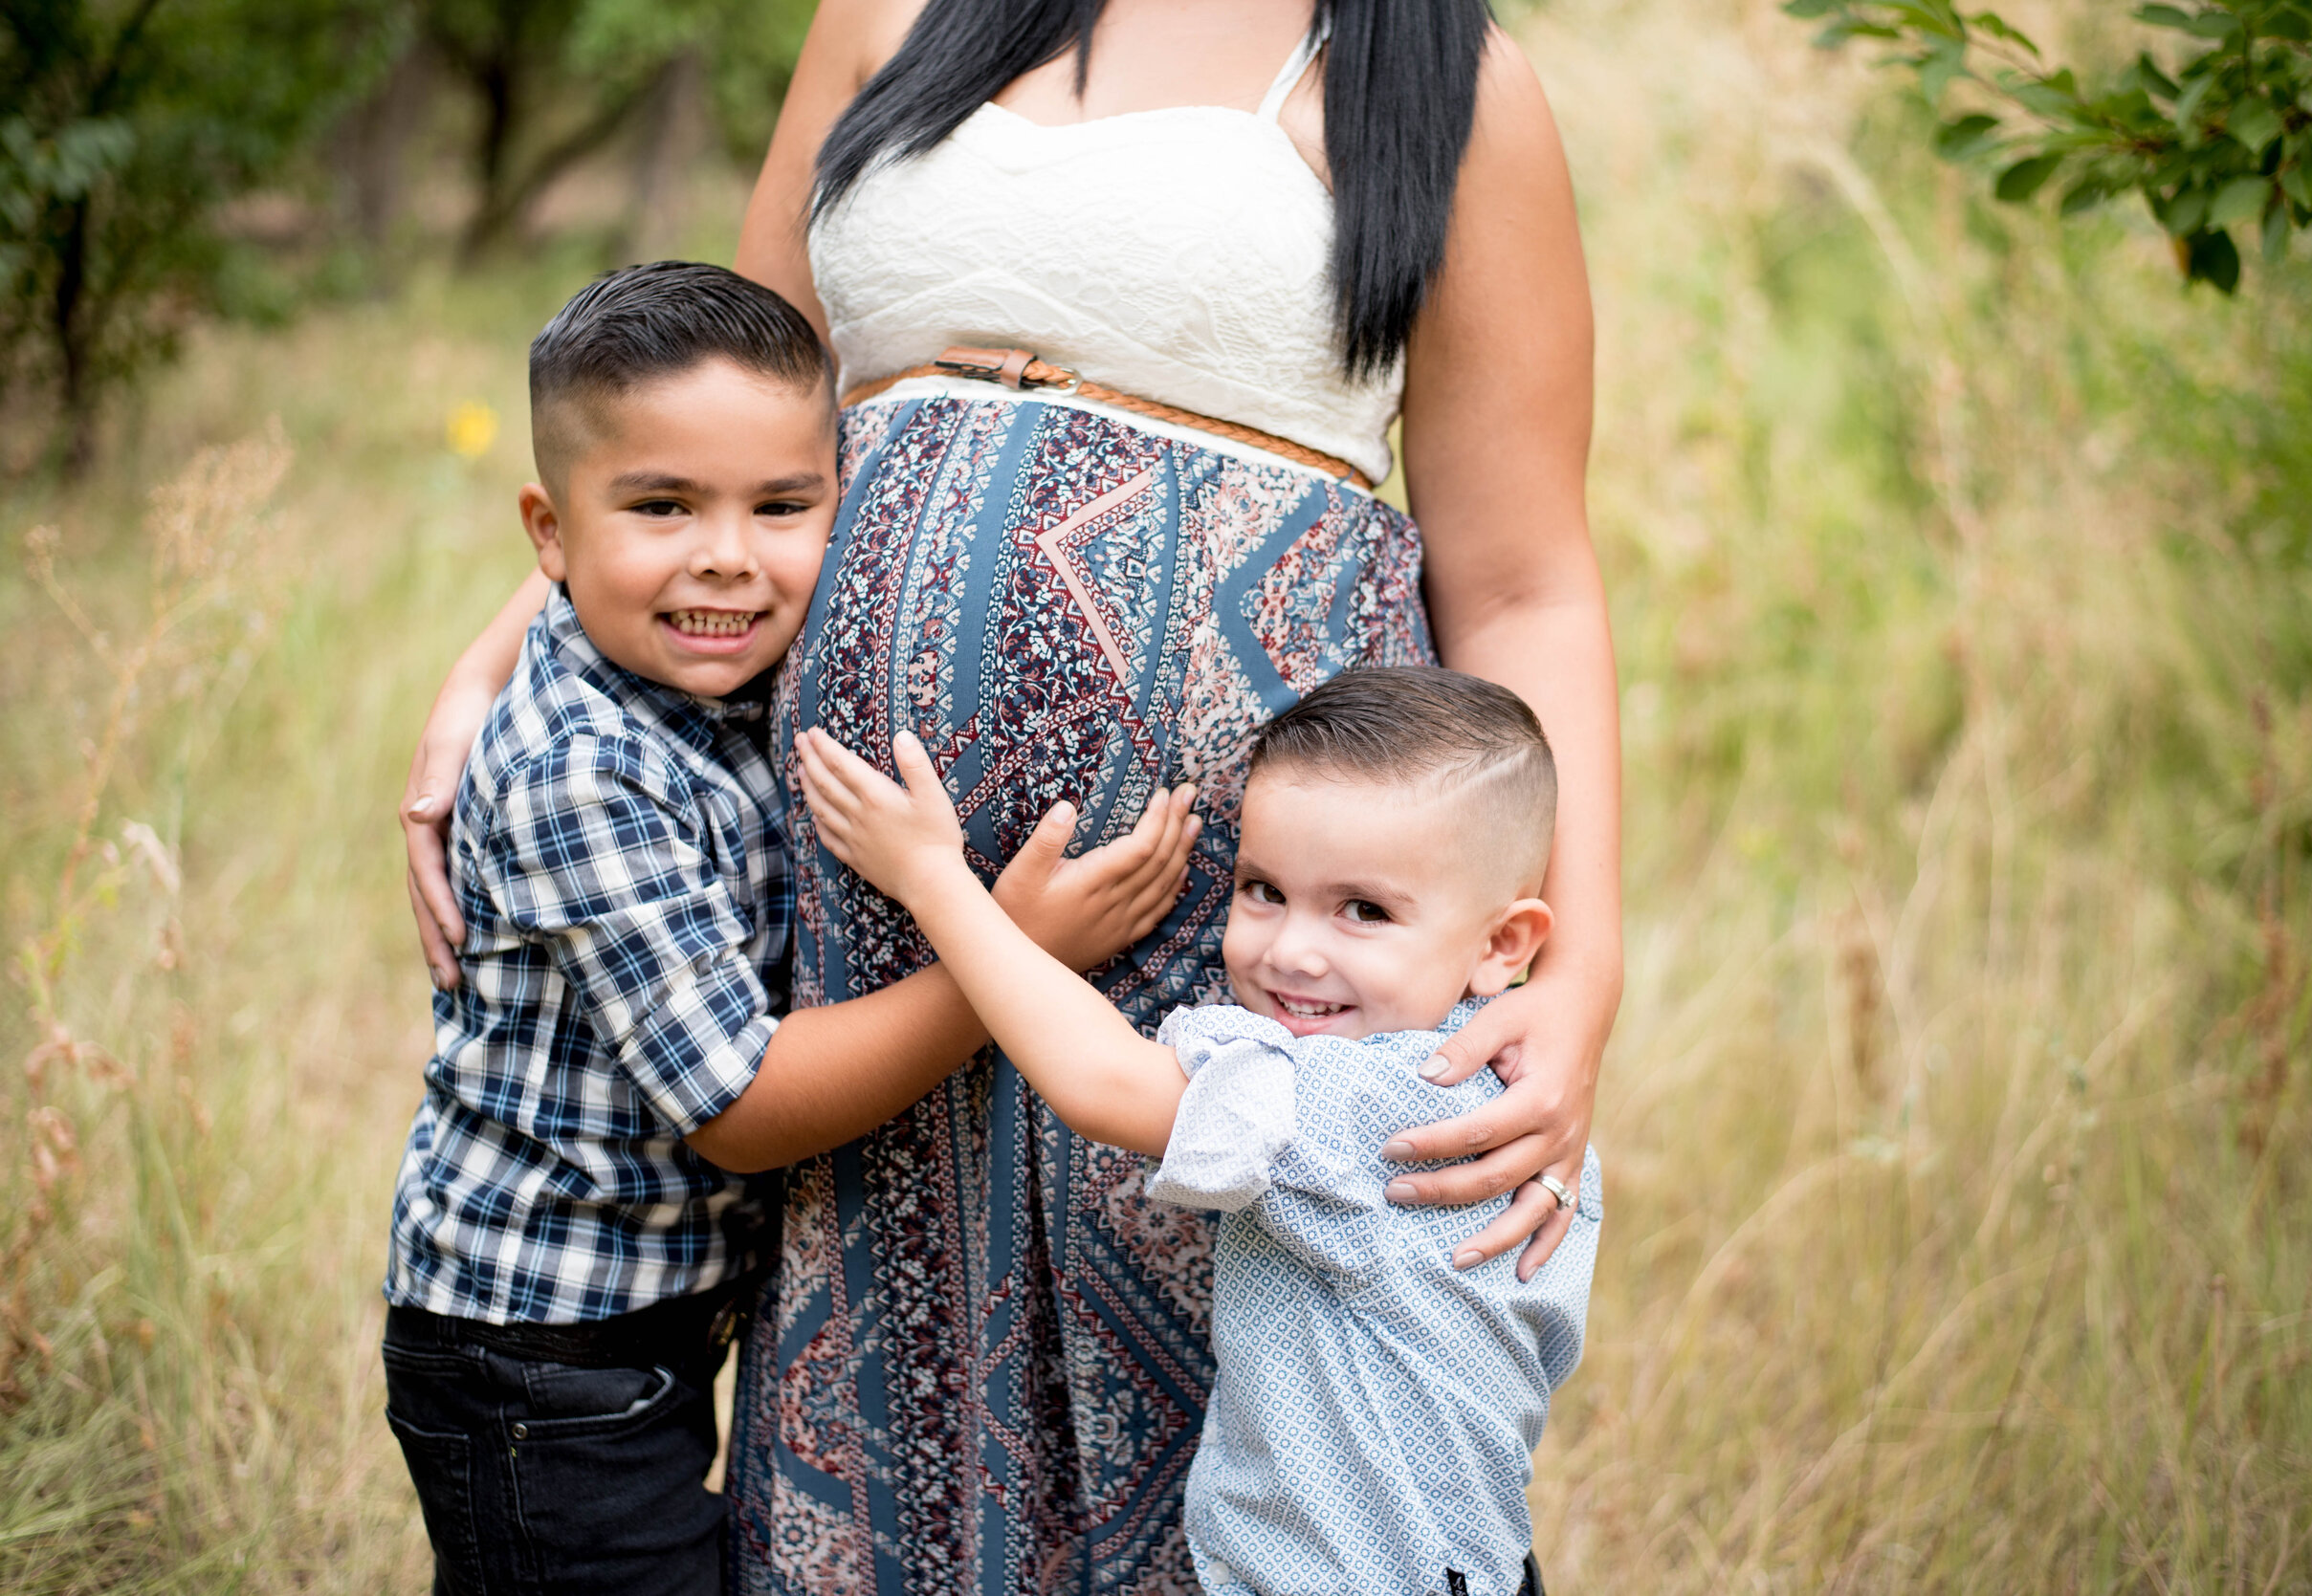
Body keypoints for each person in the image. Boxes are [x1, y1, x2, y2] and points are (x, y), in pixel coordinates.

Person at [402, 1, 1623, 1585]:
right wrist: (494, 661)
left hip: (1232, 911)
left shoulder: (1443, 80)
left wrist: (1579, 963)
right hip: (868, 917)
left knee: (1213, 1379)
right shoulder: (889, 12)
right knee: (894, 1381)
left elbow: (1524, 579)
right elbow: (706, 404)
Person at [381, 261, 1195, 1595]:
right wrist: (1008, 953)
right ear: (549, 529)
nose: (726, 556)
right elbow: (743, 1104)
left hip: (630, 1330)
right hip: (530, 1354)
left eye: (782, 505)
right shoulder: (583, 767)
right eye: (660, 506)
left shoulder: (707, 686)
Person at [795, 667, 1599, 1596]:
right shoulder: (1514, 1088)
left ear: (1504, 945)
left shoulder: (1375, 1103)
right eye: (1263, 889)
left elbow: (1101, 1082)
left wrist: (933, 878)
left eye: (1364, 910)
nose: (1291, 949)